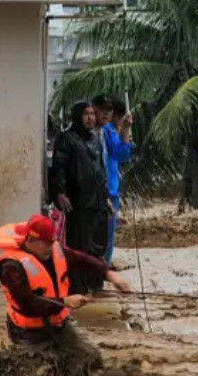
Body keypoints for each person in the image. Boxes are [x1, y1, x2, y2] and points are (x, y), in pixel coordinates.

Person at [0, 214, 130, 376]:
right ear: (30, 240)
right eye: (46, 243)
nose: (51, 247)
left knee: (92, 359)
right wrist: (65, 302)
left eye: (52, 242)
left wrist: (109, 274)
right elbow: (28, 305)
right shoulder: (11, 266)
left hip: (59, 325)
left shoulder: (55, 250)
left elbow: (83, 260)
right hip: (29, 332)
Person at [50, 101, 108, 295]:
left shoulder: (95, 139)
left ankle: (95, 283)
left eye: (92, 113)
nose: (90, 117)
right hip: (78, 199)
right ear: (77, 116)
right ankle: (77, 286)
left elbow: (100, 170)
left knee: (98, 243)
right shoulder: (67, 139)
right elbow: (59, 167)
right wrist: (60, 191)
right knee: (78, 244)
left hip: (97, 199)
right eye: (86, 114)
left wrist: (105, 196)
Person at [93, 96, 134, 265]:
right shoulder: (108, 131)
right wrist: (125, 130)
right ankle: (103, 265)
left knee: (107, 233)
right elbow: (121, 153)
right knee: (105, 233)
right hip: (107, 189)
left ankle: (103, 265)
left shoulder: (107, 131)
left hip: (110, 188)